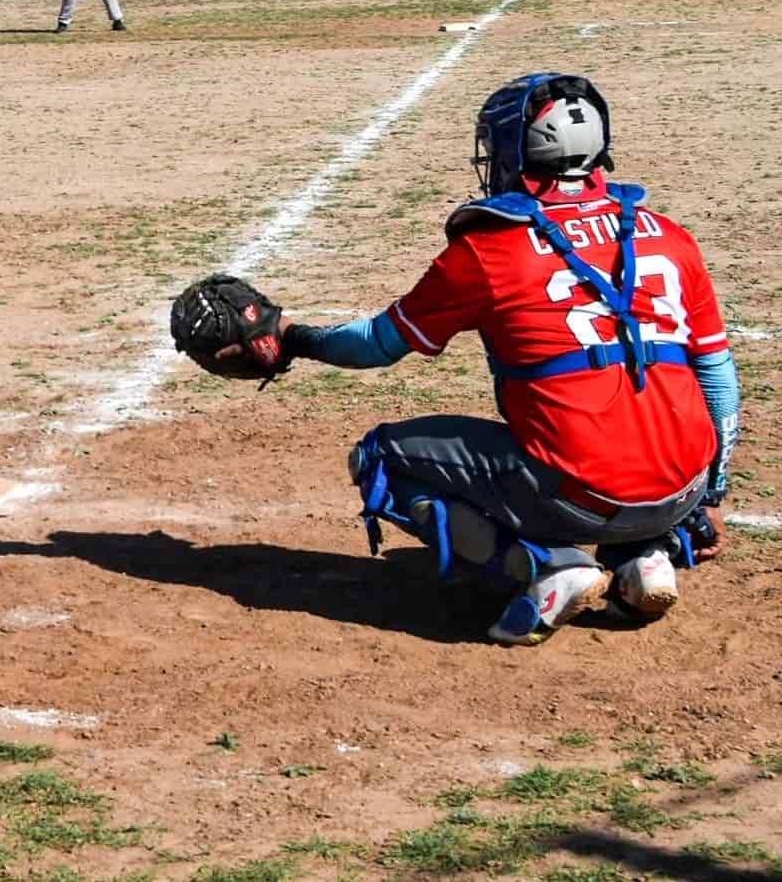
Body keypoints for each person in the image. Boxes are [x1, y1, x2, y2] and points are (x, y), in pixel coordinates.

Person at [177, 74, 739, 645]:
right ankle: (643, 561)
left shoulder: (490, 248)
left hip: (580, 491)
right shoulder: (671, 235)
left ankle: (546, 567)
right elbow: (718, 376)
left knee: (381, 461)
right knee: (625, 408)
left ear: (520, 150)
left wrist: (295, 337)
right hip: (684, 489)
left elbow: (376, 343)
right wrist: (711, 494)